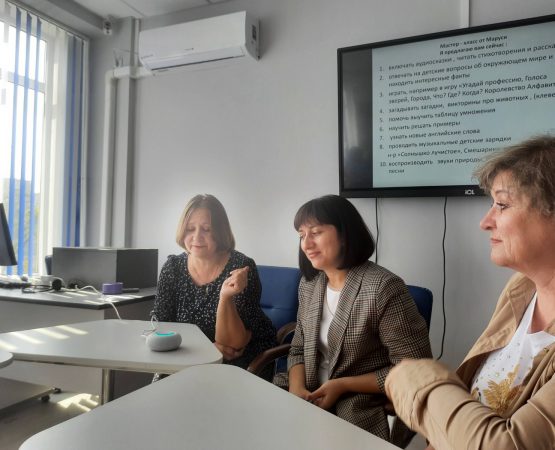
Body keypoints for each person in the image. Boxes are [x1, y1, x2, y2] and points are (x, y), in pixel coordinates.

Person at [385, 135, 555, 449]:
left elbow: (502, 445)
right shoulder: (520, 288)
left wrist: (416, 381)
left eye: (502, 205)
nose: (485, 222)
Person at [274, 194, 432, 443]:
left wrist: (343, 385)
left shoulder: (382, 288)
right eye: (302, 235)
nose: (306, 244)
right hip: (308, 394)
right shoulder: (310, 284)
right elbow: (298, 349)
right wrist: (296, 390)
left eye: (316, 232)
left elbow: (414, 369)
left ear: (345, 234)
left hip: (357, 404)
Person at [151, 194, 276, 380]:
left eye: (206, 229)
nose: (196, 237)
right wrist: (204, 350)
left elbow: (233, 344)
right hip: (185, 357)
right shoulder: (172, 268)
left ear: (219, 232)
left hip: (237, 363)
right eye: (190, 229)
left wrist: (225, 296)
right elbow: (160, 327)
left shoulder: (240, 267)